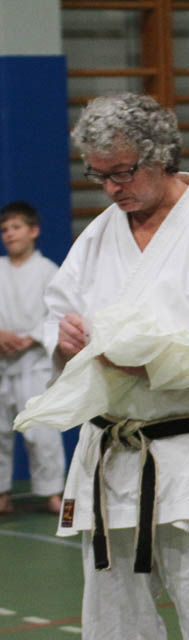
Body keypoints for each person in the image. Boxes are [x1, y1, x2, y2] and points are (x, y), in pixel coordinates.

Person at [43, 93, 189, 639]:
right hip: (109, 450)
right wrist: (65, 342)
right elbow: (57, 320)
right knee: (112, 617)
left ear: (160, 155)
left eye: (121, 172)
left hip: (188, 445)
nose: (110, 188)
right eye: (98, 176)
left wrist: (157, 368)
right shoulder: (100, 234)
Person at [0, 201, 64, 515]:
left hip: (34, 362)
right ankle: (2, 494)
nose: (9, 234)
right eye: (4, 230)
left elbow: (58, 312)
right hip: (1, 361)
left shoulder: (48, 270)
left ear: (34, 231)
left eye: (16, 227)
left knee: (41, 431)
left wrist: (31, 337)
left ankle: (52, 492)